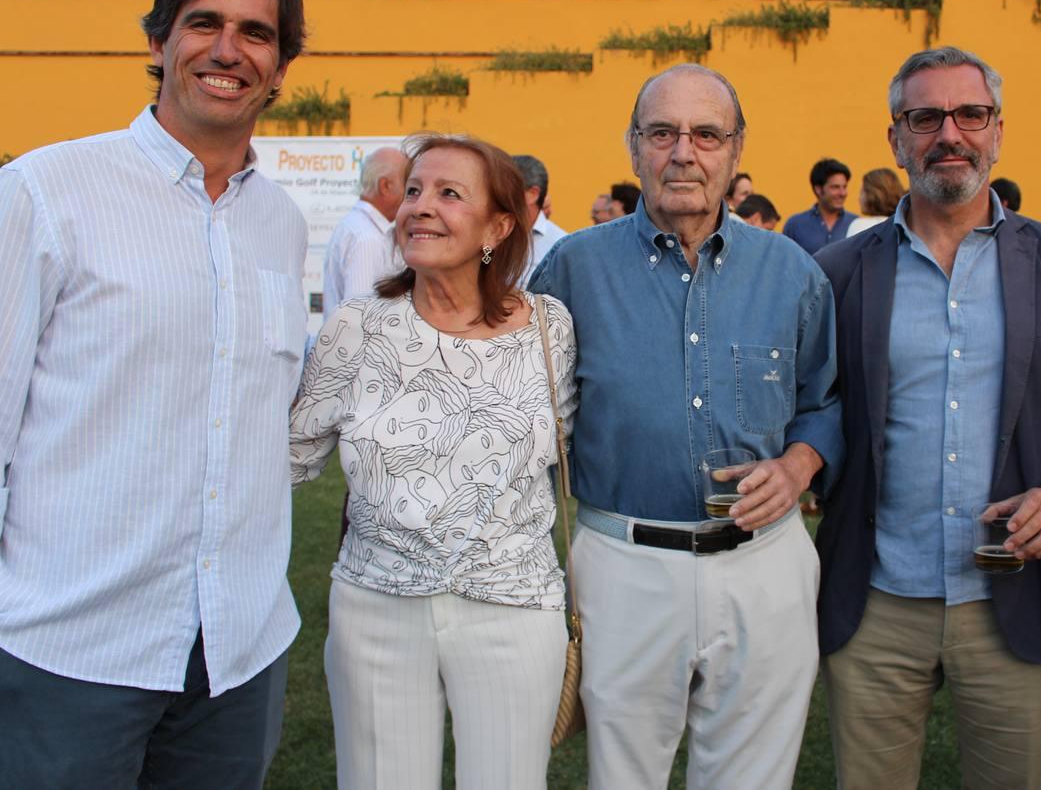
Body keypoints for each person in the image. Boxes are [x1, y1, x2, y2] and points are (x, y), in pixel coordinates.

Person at [0, 0, 307, 786]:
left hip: (237, 648)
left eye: (256, 34)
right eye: (204, 23)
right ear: (161, 41)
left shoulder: (279, 222)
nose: (228, 50)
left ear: (279, 67)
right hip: (72, 641)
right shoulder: (47, 191)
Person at [529, 63, 843, 790]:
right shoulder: (571, 270)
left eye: (707, 134)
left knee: (752, 777)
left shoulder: (793, 272)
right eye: (662, 132)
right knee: (623, 776)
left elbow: (826, 399)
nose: (684, 152)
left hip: (765, 565)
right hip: (622, 566)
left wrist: (797, 467)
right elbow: (526, 418)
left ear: (735, 152)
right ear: (633, 145)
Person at [814, 46, 1041, 790]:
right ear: (896, 138)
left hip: (1016, 594)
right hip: (877, 599)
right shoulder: (839, 273)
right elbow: (810, 407)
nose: (949, 133)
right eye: (926, 117)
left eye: (969, 114)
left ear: (997, 130)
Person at [291, 132, 575, 790]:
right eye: (414, 190)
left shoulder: (547, 327)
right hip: (375, 610)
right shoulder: (356, 328)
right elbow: (291, 455)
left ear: (498, 225)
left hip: (513, 609)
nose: (420, 206)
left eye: (449, 194)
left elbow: (570, 438)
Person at [323, 146, 408, 319]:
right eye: (408, 183)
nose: (413, 193)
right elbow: (360, 319)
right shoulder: (367, 238)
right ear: (385, 186)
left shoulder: (362, 229)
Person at [783, 157, 857, 254]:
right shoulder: (795, 225)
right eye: (835, 187)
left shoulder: (856, 224)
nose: (842, 193)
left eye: (844, 187)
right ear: (818, 189)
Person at [512, 153, 566, 282]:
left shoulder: (560, 245)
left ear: (532, 194)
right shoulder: (488, 235)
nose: (496, 194)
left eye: (505, 188)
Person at [846, 166, 906, 236]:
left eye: (862, 191)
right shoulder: (906, 225)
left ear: (872, 194)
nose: (859, 198)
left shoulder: (859, 225)